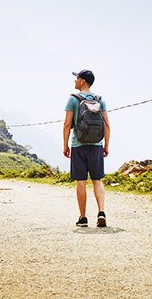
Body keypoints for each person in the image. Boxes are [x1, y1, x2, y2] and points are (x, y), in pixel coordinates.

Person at [63, 69, 111, 228]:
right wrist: (106, 146)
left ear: (82, 81)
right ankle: (101, 212)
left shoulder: (73, 99)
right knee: (97, 180)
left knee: (81, 182)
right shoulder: (100, 99)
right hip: (96, 145)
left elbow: (67, 124)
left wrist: (65, 145)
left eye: (76, 78)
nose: (75, 81)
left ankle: (83, 218)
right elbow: (107, 125)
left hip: (79, 145)